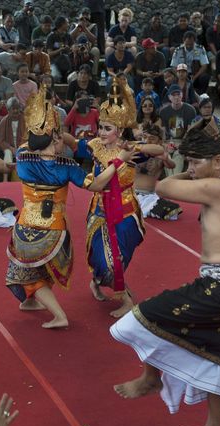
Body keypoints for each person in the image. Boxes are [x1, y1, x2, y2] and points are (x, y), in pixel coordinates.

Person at [110, 120, 220, 426]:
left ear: (219, 162)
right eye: (191, 162)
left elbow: (161, 188)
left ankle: (150, 379)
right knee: (217, 356)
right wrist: (197, 165)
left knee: (145, 317)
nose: (192, 168)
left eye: (196, 162)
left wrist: (176, 167)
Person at [5, 86, 130, 329]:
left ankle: (59, 316)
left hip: (27, 226)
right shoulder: (67, 166)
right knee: (32, 269)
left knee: (26, 272)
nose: (66, 138)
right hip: (54, 228)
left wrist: (42, 120)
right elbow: (95, 184)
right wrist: (117, 163)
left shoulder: (22, 156)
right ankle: (32, 302)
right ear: (54, 138)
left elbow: (29, 140)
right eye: (61, 134)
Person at [82, 80, 165, 318]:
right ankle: (101, 283)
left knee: (118, 257)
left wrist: (136, 146)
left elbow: (160, 151)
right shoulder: (96, 145)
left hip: (126, 211)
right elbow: (72, 142)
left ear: (119, 130)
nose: (102, 132)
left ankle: (122, 296)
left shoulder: (129, 149)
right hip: (98, 210)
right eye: (101, 127)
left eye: (107, 128)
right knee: (100, 255)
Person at [133, 124, 180, 221]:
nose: (147, 141)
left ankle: (144, 209)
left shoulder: (161, 153)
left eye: (152, 138)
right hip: (132, 194)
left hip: (150, 195)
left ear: (160, 141)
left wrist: (166, 159)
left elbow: (172, 165)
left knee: (172, 211)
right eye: (145, 137)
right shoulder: (137, 150)